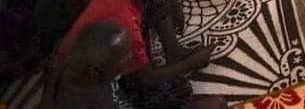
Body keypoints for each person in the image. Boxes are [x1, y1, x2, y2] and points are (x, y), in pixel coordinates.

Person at [54, 0, 224, 108]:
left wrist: (174, 5)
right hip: (94, 63)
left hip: (94, 58)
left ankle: (174, 51)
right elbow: (147, 79)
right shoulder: (124, 25)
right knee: (179, 89)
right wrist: (192, 62)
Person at [43, 22, 226, 109]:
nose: (132, 57)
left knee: (179, 86)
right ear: (96, 70)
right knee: (215, 104)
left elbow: (53, 76)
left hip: (126, 97)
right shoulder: (93, 103)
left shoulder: (73, 65)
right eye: (125, 56)